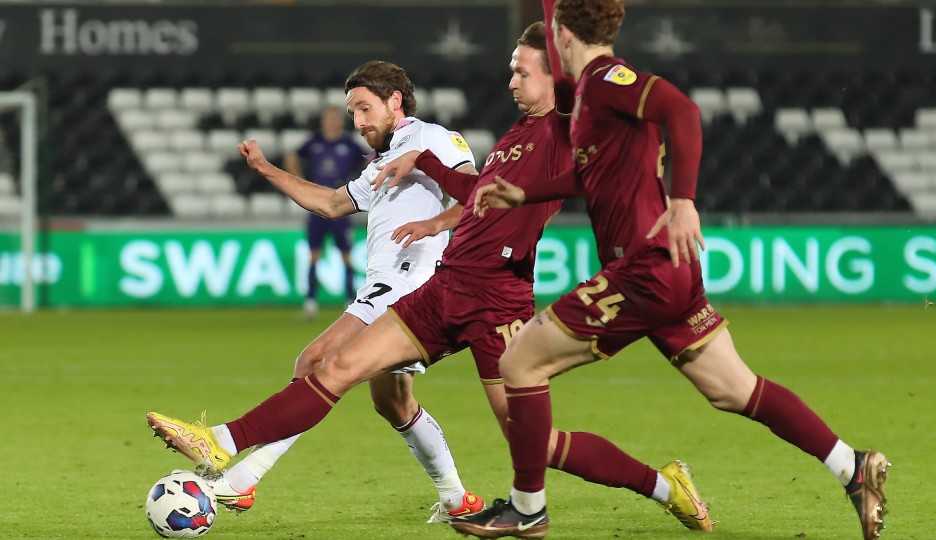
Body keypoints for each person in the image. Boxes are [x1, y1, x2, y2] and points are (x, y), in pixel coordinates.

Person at [146, 22, 712, 534]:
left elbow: (487, 186)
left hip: (486, 295)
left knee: (530, 440)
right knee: (354, 379)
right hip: (446, 286)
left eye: (522, 71)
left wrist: (434, 217)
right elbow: (442, 195)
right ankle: (226, 446)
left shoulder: (549, 129)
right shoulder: (506, 136)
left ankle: (663, 487)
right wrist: (279, 168)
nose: (511, 81)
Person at [451, 1, 891, 539]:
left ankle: (527, 509)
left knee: (519, 363)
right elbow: (591, 176)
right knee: (733, 389)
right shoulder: (588, 94)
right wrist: (526, 193)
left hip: (643, 271)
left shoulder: (608, 80)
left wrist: (683, 201)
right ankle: (852, 466)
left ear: (562, 35)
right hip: (669, 271)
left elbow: (682, 110)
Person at [194, 60, 487, 523]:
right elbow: (331, 203)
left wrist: (434, 224)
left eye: (364, 108)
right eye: (352, 112)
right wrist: (266, 169)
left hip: (408, 281)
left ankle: (243, 480)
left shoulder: (433, 137)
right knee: (393, 402)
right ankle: (457, 500)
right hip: (391, 282)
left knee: (315, 361)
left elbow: (480, 194)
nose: (358, 121)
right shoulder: (383, 163)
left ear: (395, 101)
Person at [283, 105, 367, 319]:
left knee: (346, 255)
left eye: (335, 118)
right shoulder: (314, 142)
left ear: (340, 121)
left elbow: (369, 161)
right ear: (323, 121)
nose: (331, 122)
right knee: (314, 255)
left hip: (342, 205)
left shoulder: (349, 144)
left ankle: (350, 300)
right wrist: (300, 180)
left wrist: (357, 185)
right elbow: (292, 157)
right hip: (317, 206)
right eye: (328, 118)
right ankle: (311, 301)